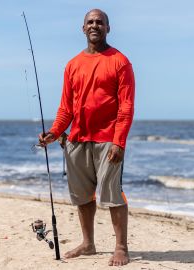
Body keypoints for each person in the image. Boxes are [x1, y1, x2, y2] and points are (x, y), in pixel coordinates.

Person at [38, 8, 135, 266]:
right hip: (77, 140)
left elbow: (126, 107)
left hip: (108, 140)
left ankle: (121, 247)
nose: (95, 25)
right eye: (90, 22)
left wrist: (119, 141)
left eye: (100, 22)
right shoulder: (72, 65)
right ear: (83, 29)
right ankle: (89, 243)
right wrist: (54, 132)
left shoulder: (120, 61)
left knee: (113, 194)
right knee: (82, 195)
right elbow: (66, 108)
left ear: (108, 28)